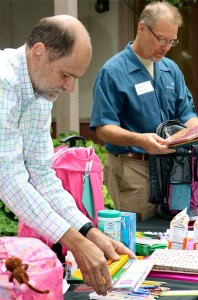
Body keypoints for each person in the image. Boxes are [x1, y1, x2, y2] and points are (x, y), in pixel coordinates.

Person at [0, 15, 135, 296]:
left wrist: (89, 231)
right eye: (66, 75)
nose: (70, 87)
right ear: (39, 52)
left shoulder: (39, 90)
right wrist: (75, 241)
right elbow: (9, 179)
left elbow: (41, 175)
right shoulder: (4, 82)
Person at [90, 1, 198, 222]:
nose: (166, 47)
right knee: (140, 237)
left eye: (171, 41)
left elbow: (187, 114)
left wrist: (195, 131)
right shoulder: (113, 71)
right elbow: (103, 128)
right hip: (133, 169)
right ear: (141, 28)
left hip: (173, 172)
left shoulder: (171, 69)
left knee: (174, 233)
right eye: (161, 39)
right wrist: (141, 140)